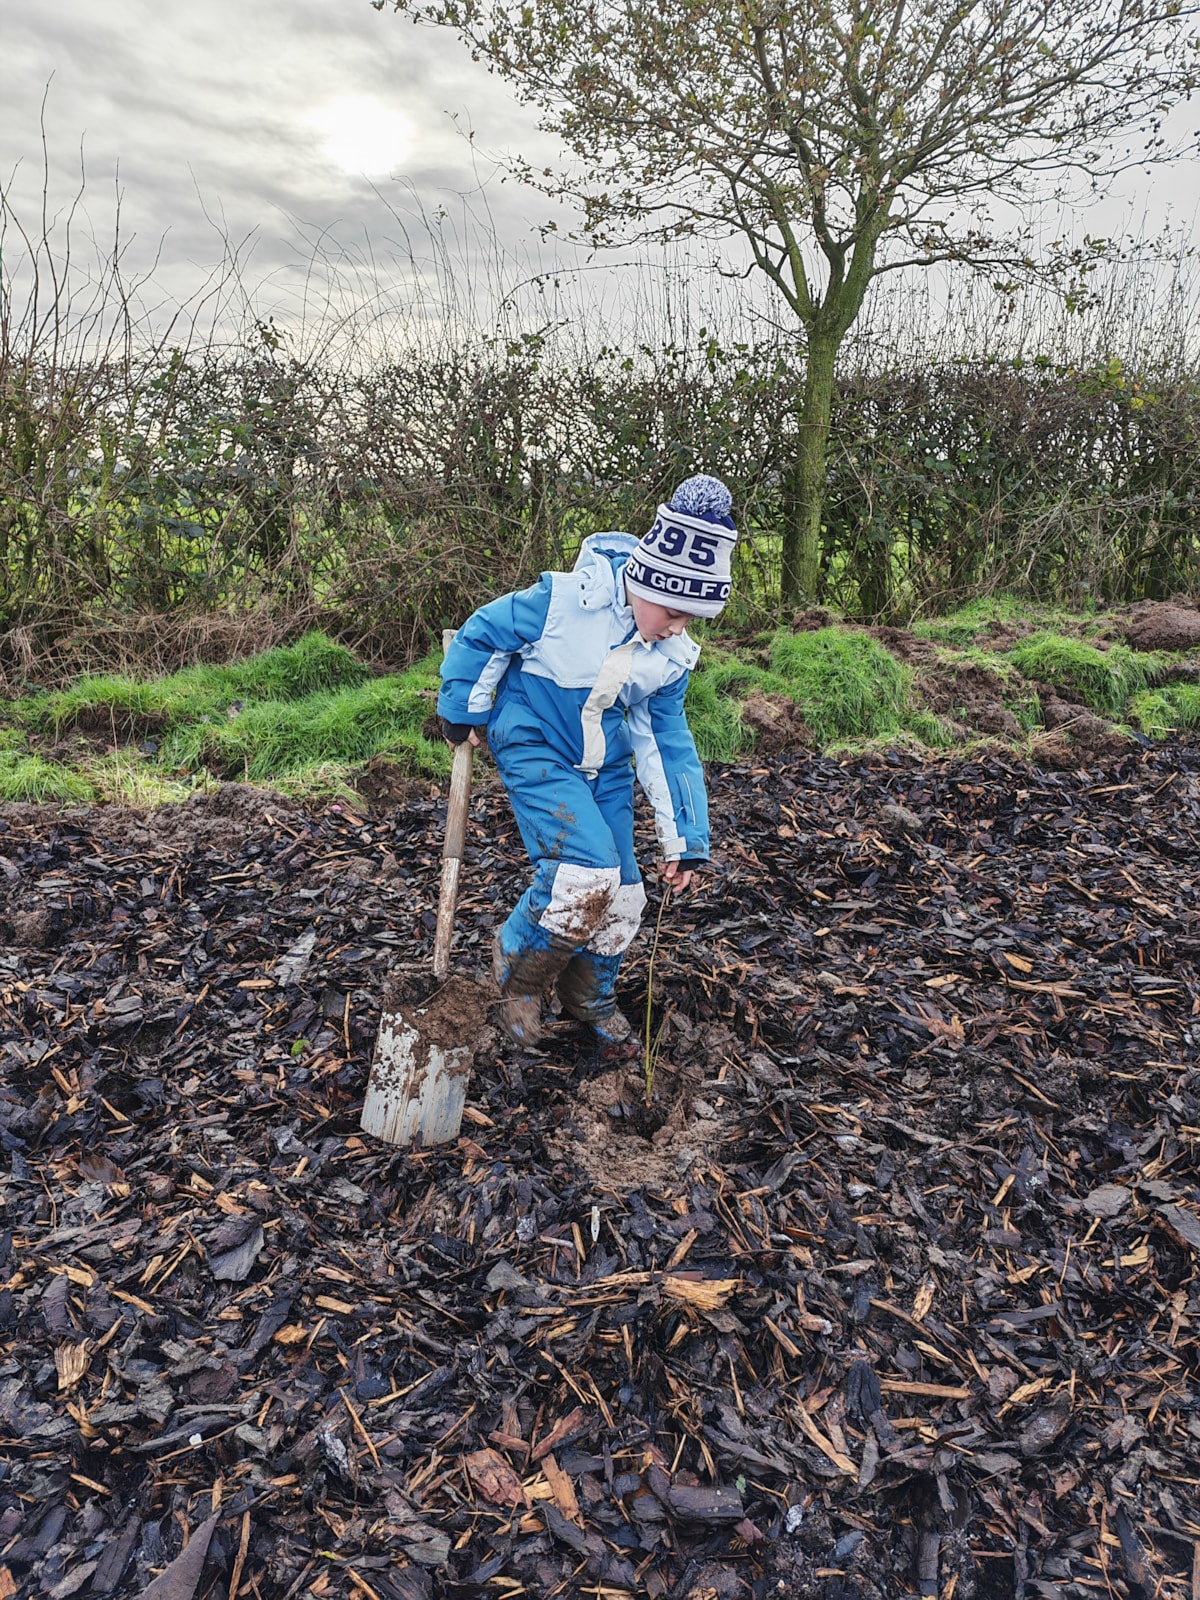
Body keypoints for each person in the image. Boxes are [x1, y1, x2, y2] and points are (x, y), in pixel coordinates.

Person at [437, 473, 737, 1047]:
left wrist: (686, 840)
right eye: (675, 611)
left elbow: (666, 740)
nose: (679, 627)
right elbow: (483, 632)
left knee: (624, 893)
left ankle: (587, 997)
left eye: (691, 618)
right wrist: (464, 709)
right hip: (535, 742)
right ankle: (517, 981)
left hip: (603, 765)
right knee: (582, 874)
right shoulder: (563, 603)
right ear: (648, 583)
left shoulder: (669, 656)